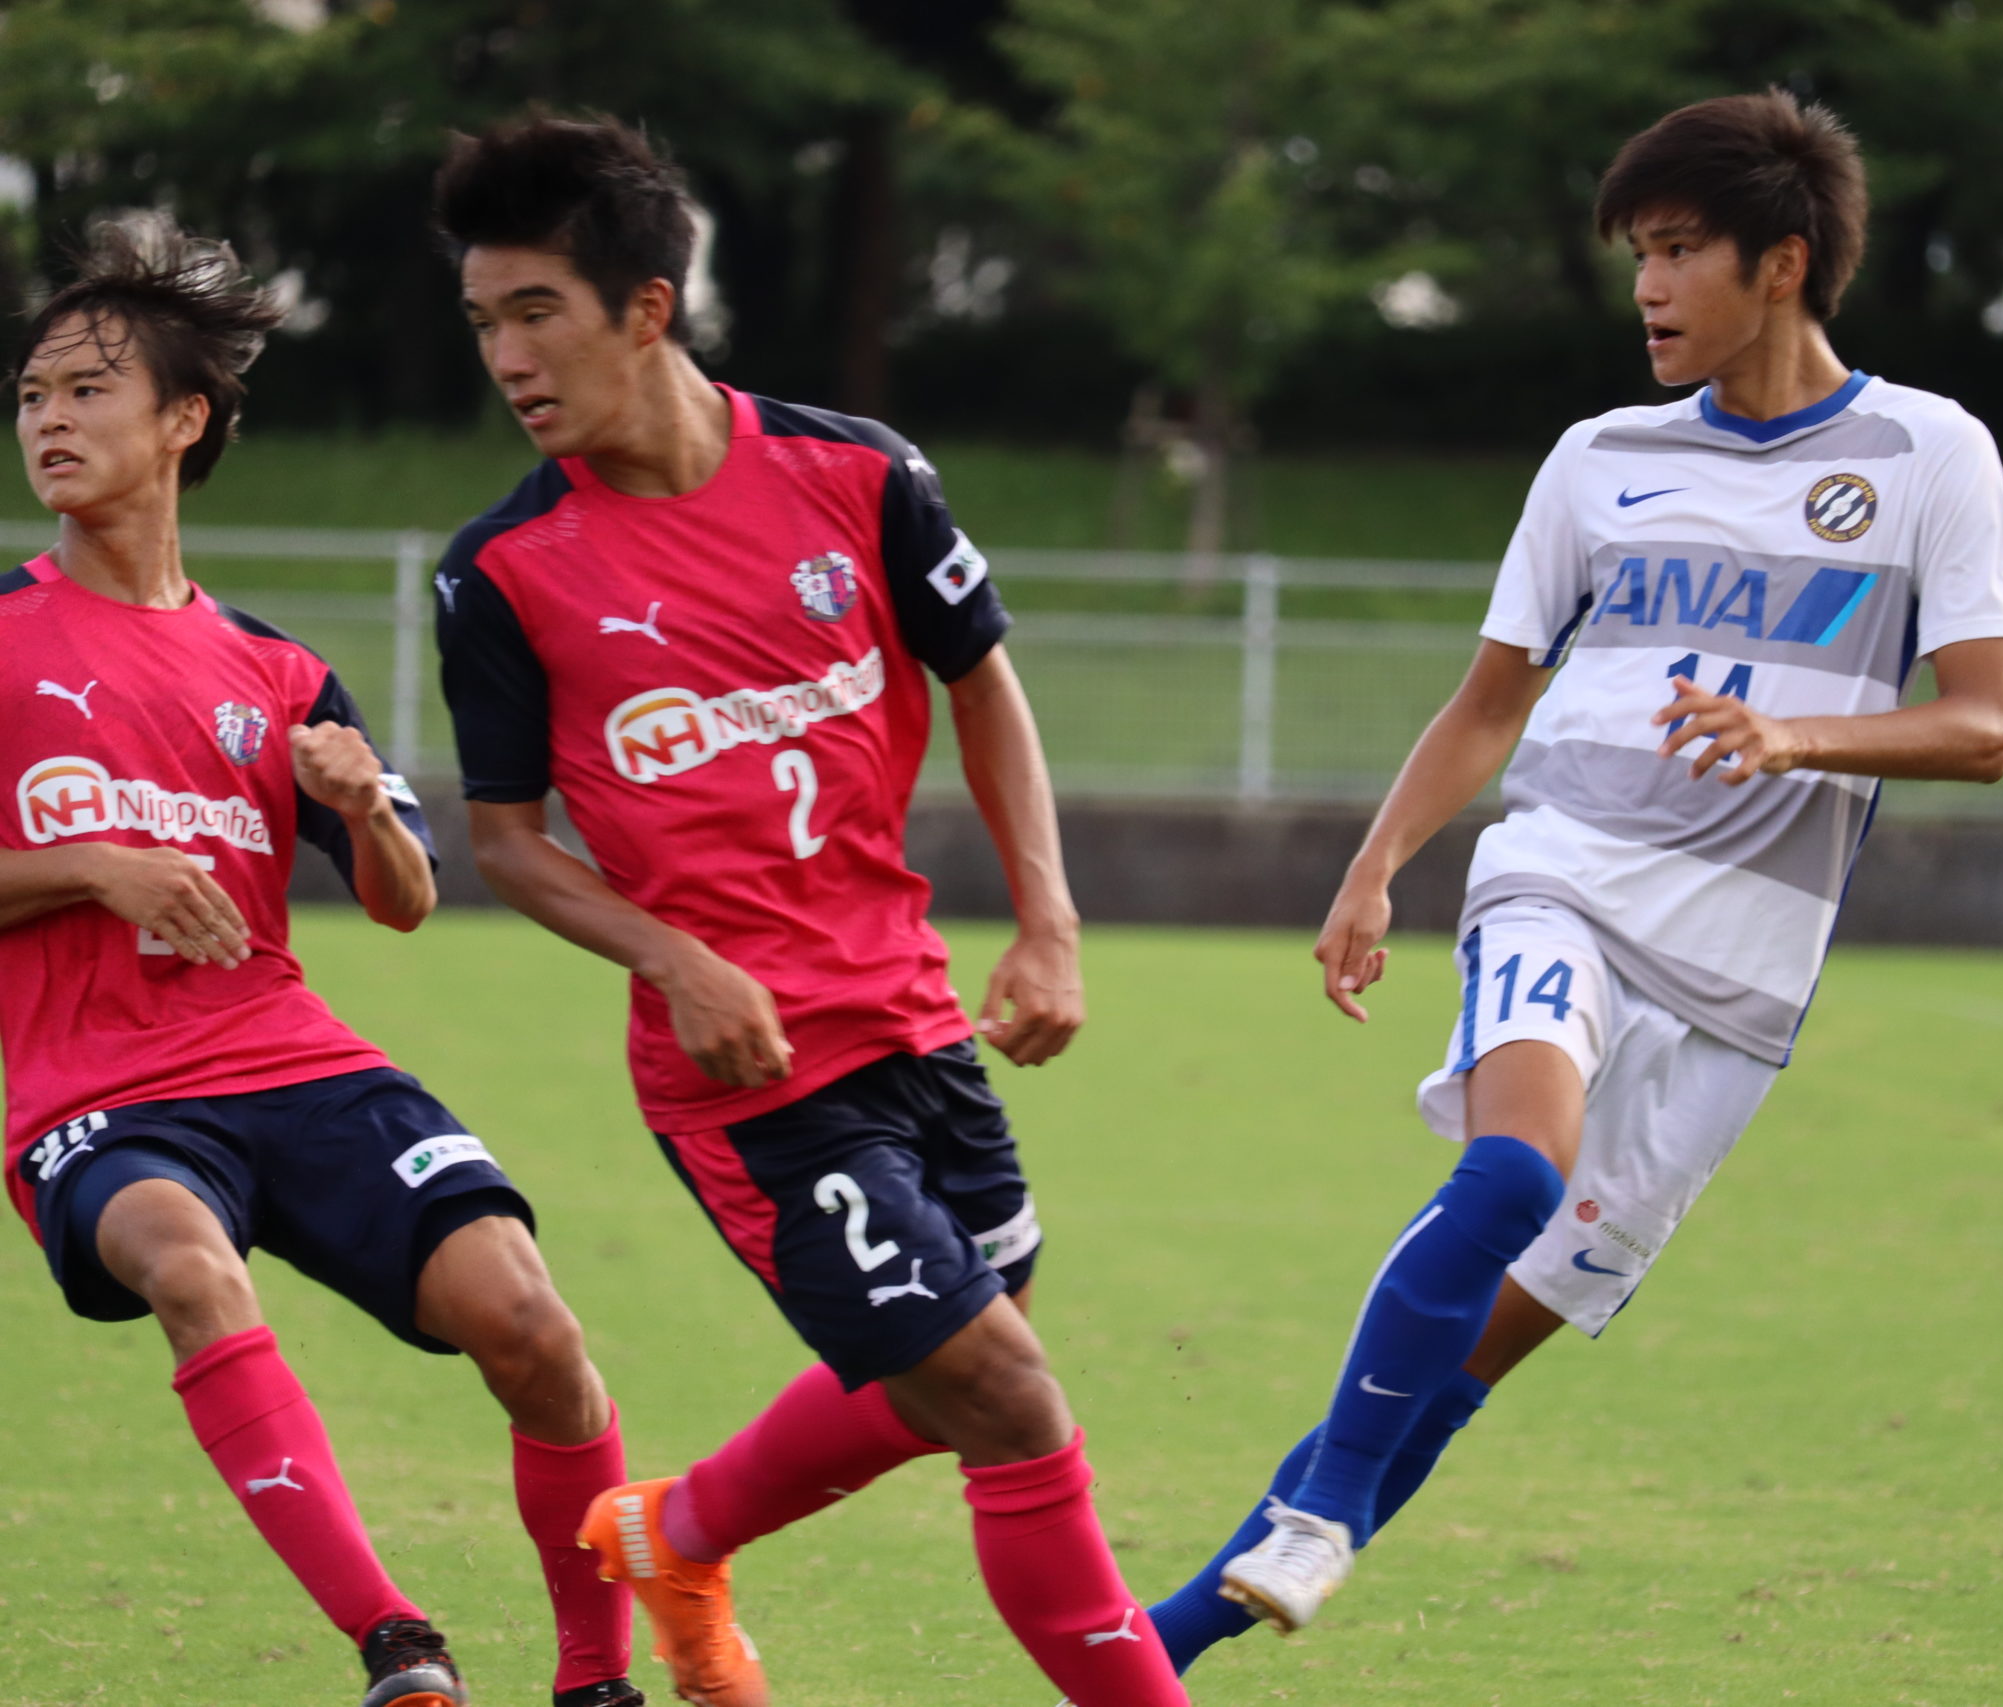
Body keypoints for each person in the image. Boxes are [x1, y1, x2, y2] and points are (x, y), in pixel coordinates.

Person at [1147, 89, 2003, 1667]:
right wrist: (1377, 865)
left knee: (1468, 1365)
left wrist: (1795, 735)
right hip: (1566, 875)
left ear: (1784, 262)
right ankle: (1313, 1520)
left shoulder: (1928, 454)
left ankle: (1157, 1654)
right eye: (1639, 254)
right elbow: (1491, 702)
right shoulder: (1599, 458)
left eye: (1680, 251)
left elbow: (1983, 725)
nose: (1648, 287)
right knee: (1509, 1177)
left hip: (1742, 982)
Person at [428, 114, 1187, 1707]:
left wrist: (1046, 922)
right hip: (750, 1076)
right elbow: (504, 843)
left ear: (647, 307)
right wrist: (673, 958)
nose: (506, 358)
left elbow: (983, 684)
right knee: (1011, 1399)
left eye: (536, 312)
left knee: (967, 1359)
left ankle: (675, 1534)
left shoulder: (860, 472)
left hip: (910, 1008)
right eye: (485, 320)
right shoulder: (502, 571)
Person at [2, 217, 642, 1707]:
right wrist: (92, 866)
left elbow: (406, 901)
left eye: (87, 390)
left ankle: (595, 1681)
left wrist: (361, 809)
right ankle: (395, 1640)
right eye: (32, 395)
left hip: (292, 1061)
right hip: (100, 1093)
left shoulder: (279, 672)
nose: (48, 421)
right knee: (190, 1268)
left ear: (185, 419)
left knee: (531, 1323)